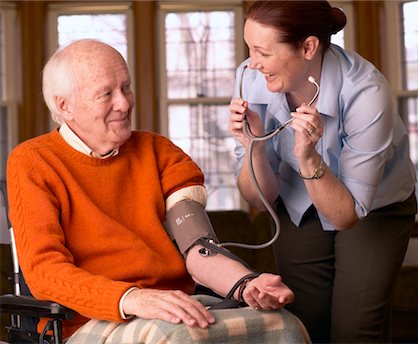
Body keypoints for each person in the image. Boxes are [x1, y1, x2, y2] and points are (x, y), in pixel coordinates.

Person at [6, 39, 311, 343]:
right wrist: (132, 298)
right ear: (64, 106)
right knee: (179, 338)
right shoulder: (33, 162)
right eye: (106, 94)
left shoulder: (158, 152)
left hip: (173, 306)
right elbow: (45, 271)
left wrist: (246, 284)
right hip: (88, 320)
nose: (124, 103)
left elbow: (197, 248)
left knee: (283, 325)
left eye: (126, 87)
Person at [228, 1, 417, 343]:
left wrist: (309, 157)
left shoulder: (366, 91)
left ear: (308, 47)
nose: (252, 63)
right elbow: (260, 198)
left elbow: (347, 215)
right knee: (303, 324)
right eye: (249, 50)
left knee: (354, 329)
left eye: (263, 52)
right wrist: (252, 144)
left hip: (374, 206)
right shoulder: (253, 76)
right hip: (299, 202)